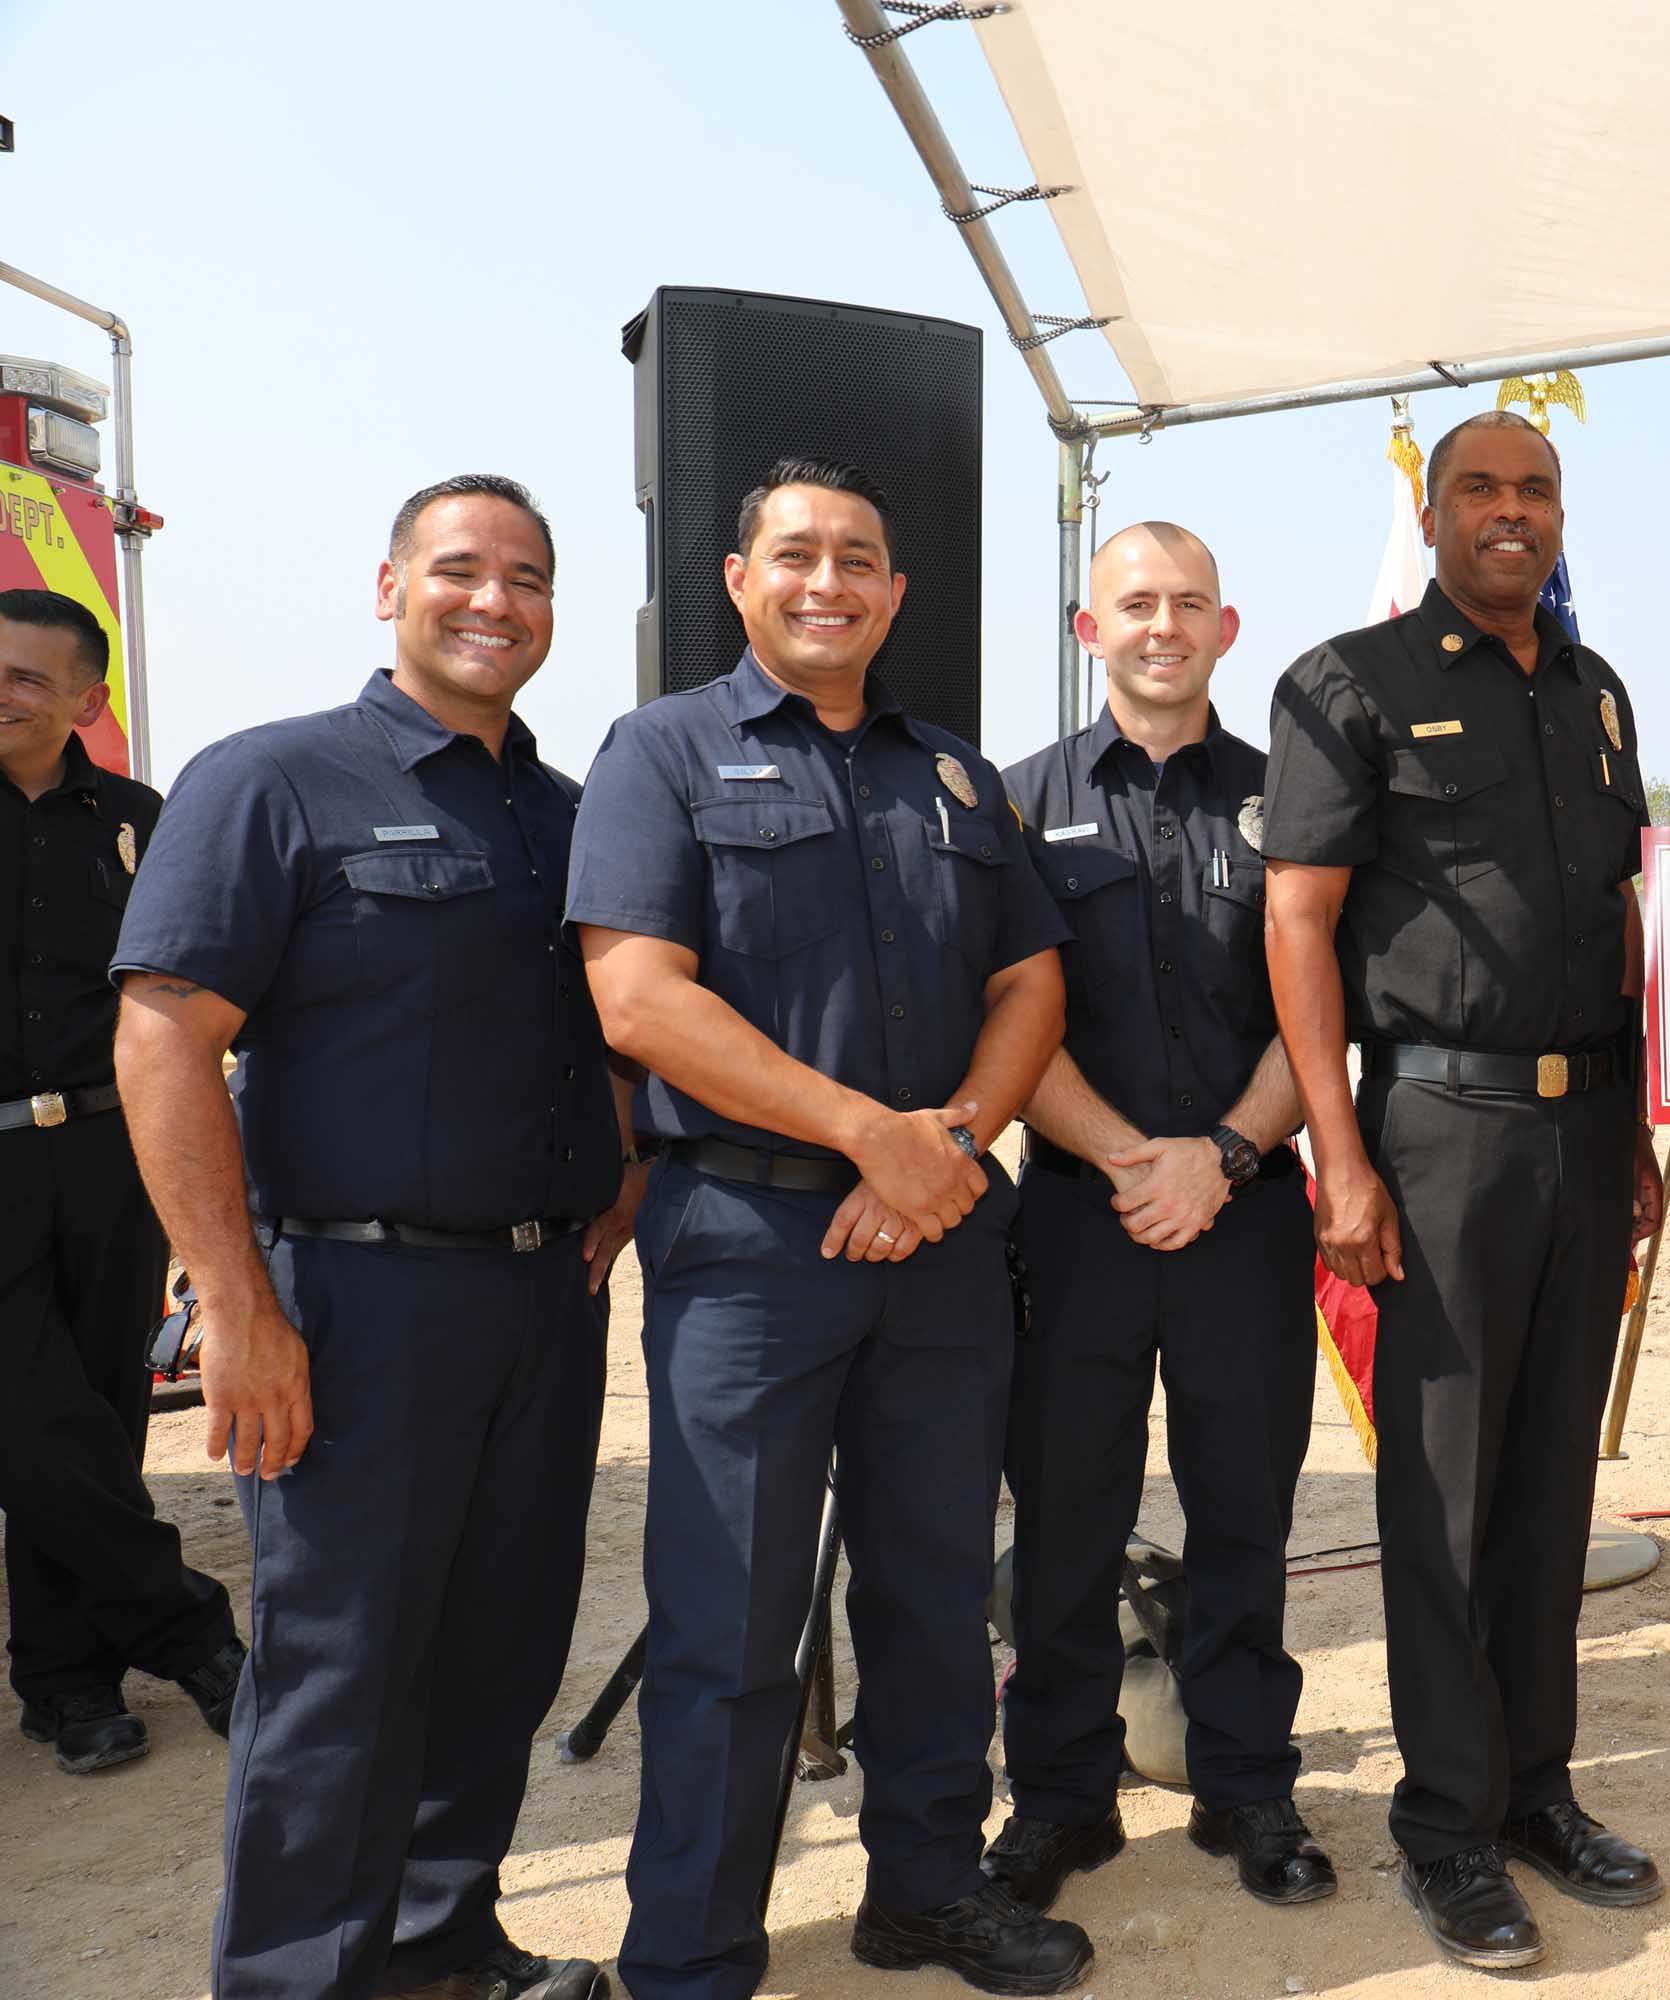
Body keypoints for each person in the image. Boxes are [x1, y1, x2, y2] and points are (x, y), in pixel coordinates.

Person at [568, 458, 1084, 2000]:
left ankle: (926, 1890)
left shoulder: (957, 777)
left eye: (859, 558)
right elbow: (637, 999)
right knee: (728, 1618)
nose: (828, 582)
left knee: (933, 1597)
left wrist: (947, 1147)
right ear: (739, 579)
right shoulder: (661, 752)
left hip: (938, 1247)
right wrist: (872, 1135)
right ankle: (691, 1955)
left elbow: (1030, 984)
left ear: (896, 592)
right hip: (746, 1244)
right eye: (796, 554)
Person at [111, 477, 629, 2000]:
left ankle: (437, 1950)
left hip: (543, 1298)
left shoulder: (570, 815)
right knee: (342, 1674)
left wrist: (623, 1182)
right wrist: (236, 1306)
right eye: (460, 570)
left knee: (499, 1649)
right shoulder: (272, 779)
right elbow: (164, 1039)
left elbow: (615, 1024)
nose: (495, 602)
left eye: (527, 578)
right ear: (390, 585)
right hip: (352, 1299)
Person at [1263, 410, 1665, 1971]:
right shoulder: (1346, 682)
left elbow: (1621, 916)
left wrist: (1636, 1121)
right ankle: (1445, 1825)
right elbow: (1299, 922)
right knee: (1441, 1499)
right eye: (1481, 489)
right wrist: (1339, 1154)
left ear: (1561, 516)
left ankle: (1536, 1791)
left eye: (1536, 489)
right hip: (1435, 1133)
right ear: (1432, 517)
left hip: (1586, 1130)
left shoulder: (1599, 689)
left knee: (1553, 1483)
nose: (1512, 511)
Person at [985, 521, 1330, 1914]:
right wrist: (1137, 1160)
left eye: (1190, 603)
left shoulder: (1292, 799)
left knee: (1245, 1511)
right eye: (1136, 603)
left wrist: (1224, 1157)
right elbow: (1003, 1011)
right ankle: (1061, 1800)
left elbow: (1323, 1010)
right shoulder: (1013, 801)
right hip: (1083, 1218)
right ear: (1091, 629)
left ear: (1226, 629)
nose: (1163, 624)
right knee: (1068, 1518)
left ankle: (1247, 1787)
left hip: (1248, 1215)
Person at [0, 588, 242, 1777]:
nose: (3, 692)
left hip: (111, 1150)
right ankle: (193, 1633)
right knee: (30, 1415)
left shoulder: (143, 822)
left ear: (86, 698)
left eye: (26, 676)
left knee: (97, 1415)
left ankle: (67, 1681)